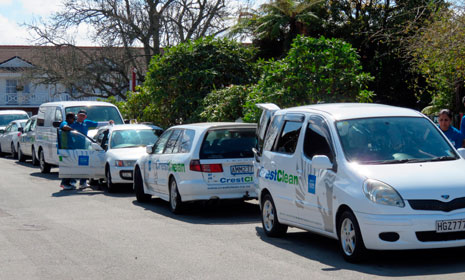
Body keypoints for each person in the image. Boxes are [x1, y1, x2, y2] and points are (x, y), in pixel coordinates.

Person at [70, 110, 114, 189]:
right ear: (77, 115)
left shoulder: (86, 122)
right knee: (74, 165)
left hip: (84, 147)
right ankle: (72, 182)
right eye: (80, 115)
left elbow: (97, 124)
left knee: (84, 165)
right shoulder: (73, 123)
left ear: (85, 117)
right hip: (74, 147)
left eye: (83, 116)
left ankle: (82, 182)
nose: (81, 117)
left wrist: (108, 122)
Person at [59, 112, 77, 190]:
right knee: (67, 167)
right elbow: (65, 127)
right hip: (65, 150)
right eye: (73, 119)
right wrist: (73, 129)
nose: (74, 120)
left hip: (70, 149)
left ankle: (69, 182)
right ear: (69, 118)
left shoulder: (70, 124)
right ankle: (64, 183)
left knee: (71, 166)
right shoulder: (64, 123)